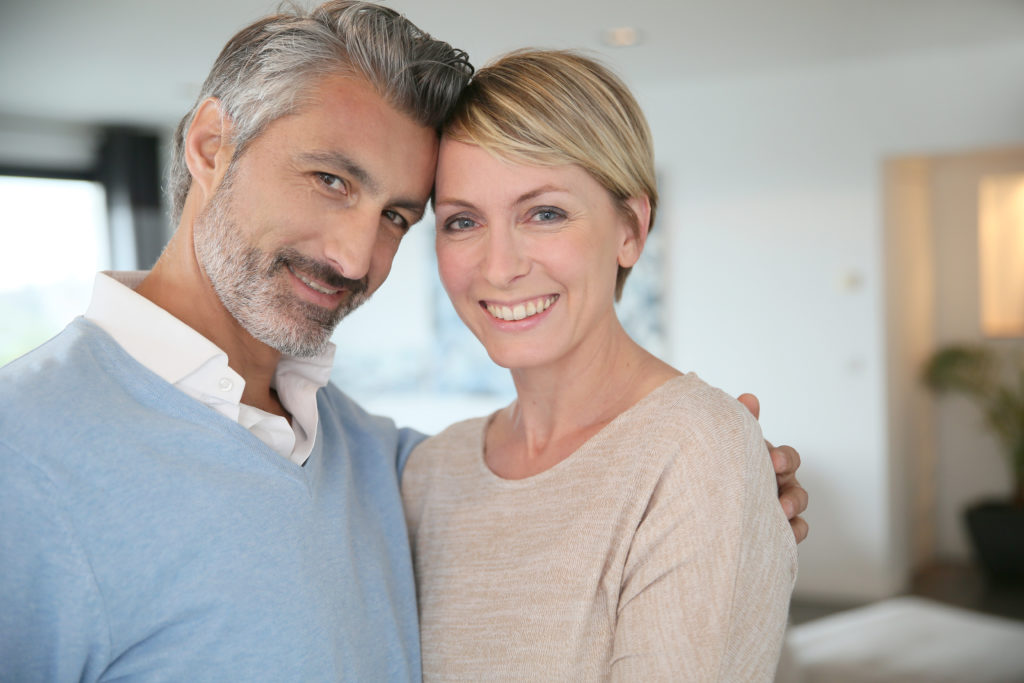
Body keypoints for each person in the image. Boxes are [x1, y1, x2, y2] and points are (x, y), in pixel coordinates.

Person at [0, 2, 805, 680]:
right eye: (331, 180)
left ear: (631, 230)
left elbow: (570, 487)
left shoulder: (377, 459)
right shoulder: (21, 454)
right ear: (211, 146)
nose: (354, 258)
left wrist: (723, 472)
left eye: (397, 216)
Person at [401, 49, 798, 680]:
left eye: (545, 213)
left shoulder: (698, 447)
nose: (499, 266)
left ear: (631, 230)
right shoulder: (430, 473)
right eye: (462, 221)